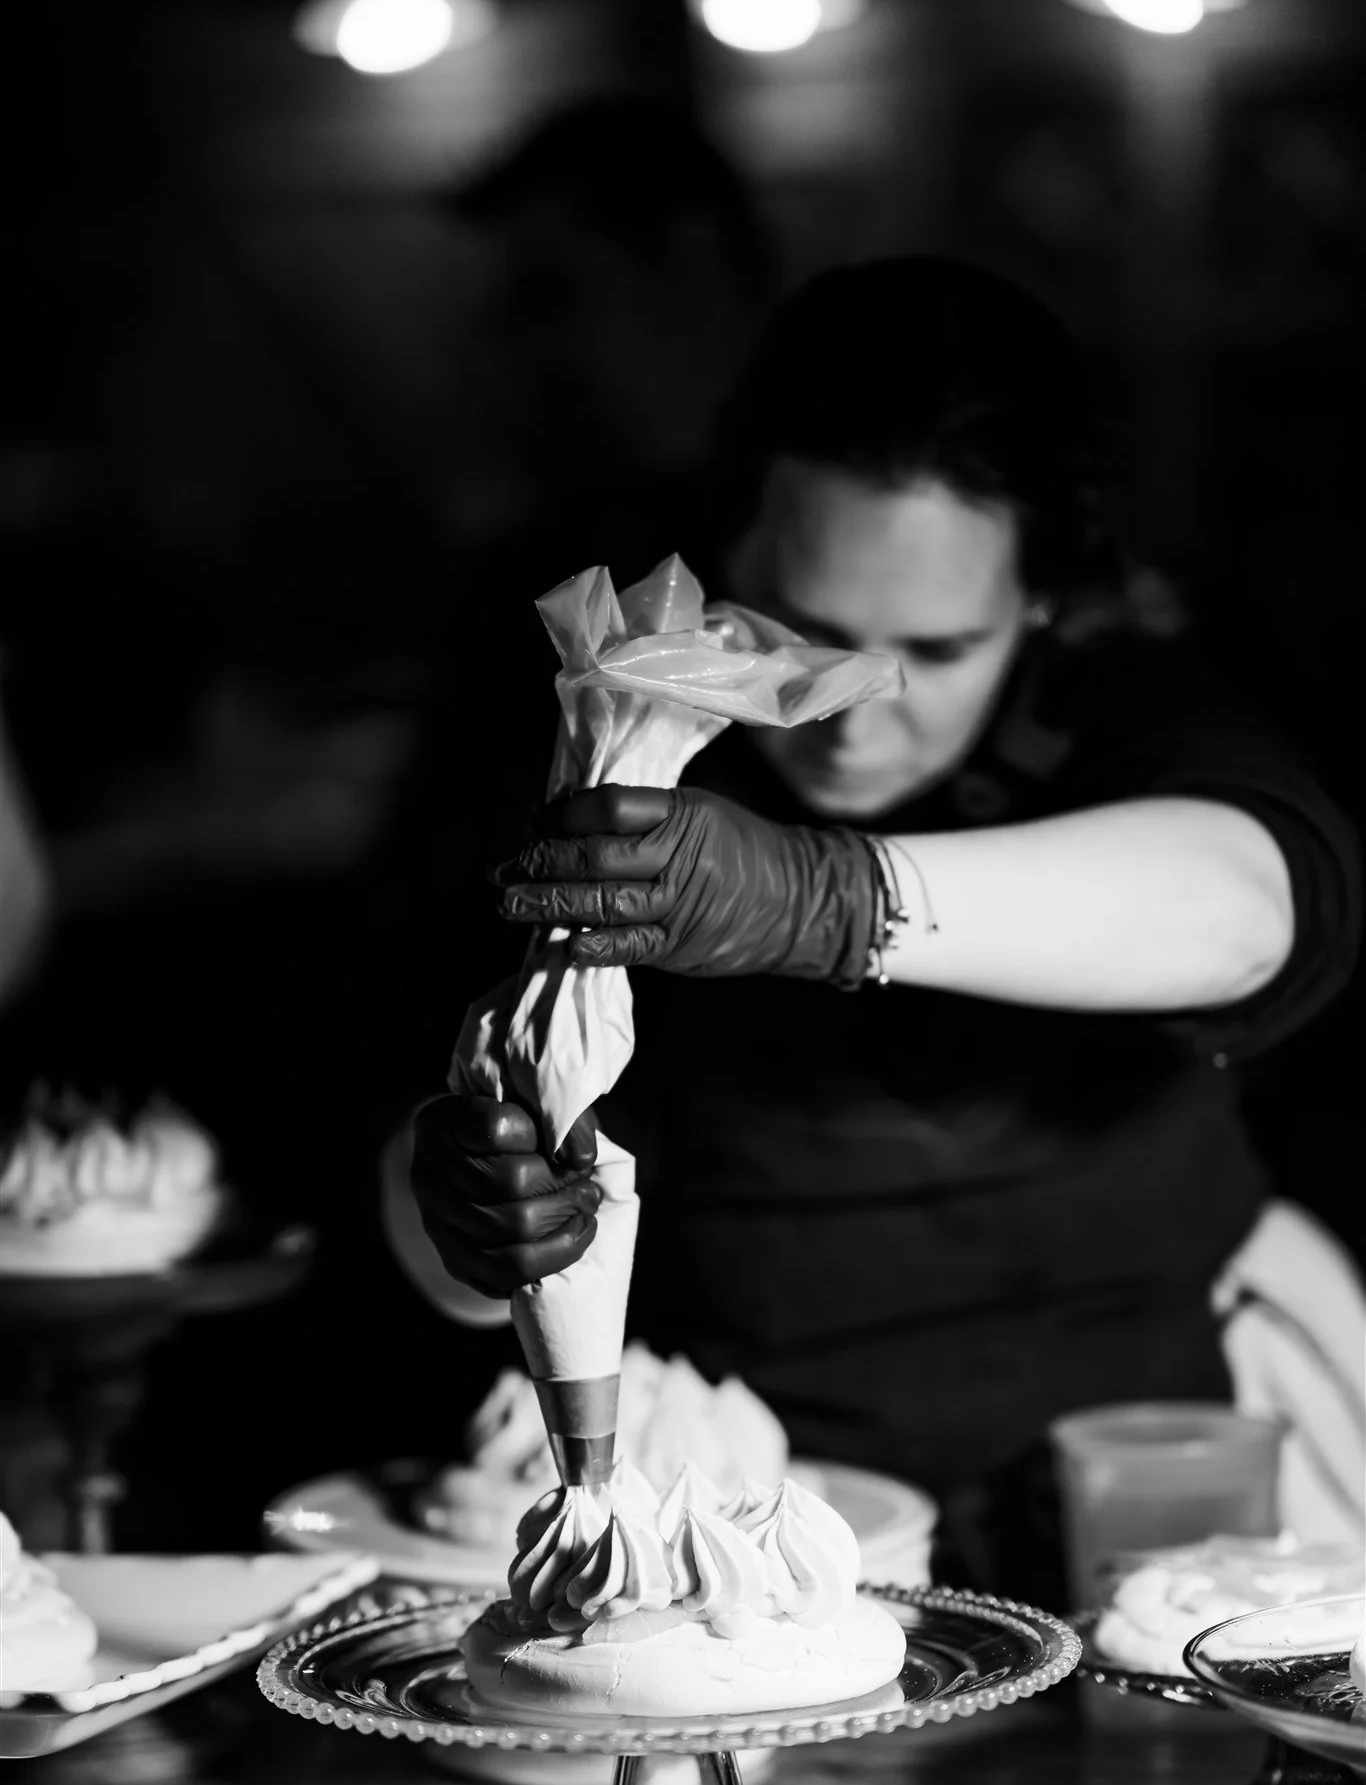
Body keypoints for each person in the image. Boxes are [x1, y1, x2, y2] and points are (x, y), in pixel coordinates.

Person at [400, 259, 1360, 1601]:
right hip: (750, 1551)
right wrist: (456, 1220)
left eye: (940, 650)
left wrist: (825, 898)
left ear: (1042, 602)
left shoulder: (1121, 708)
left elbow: (1255, 910)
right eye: (803, 635)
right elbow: (439, 1150)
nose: (852, 715)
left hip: (1164, 1516)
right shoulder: (600, 747)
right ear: (728, 553)